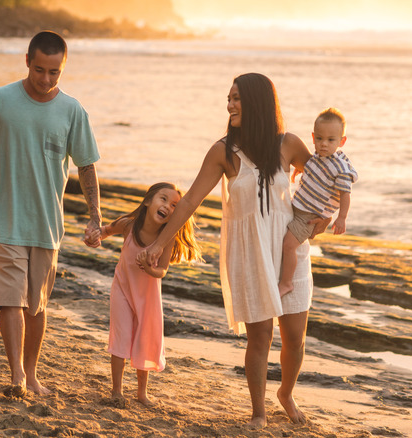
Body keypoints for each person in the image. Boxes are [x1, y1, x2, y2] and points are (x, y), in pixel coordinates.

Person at [140, 73, 328, 428]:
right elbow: (192, 199)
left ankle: (285, 393)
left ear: (258, 102)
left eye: (237, 98)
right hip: (251, 255)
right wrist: (159, 243)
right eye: (229, 98)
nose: (230, 105)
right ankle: (258, 411)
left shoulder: (288, 144)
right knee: (260, 337)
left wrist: (322, 215)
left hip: (290, 251)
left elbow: (321, 175)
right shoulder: (223, 151)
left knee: (295, 338)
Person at [0, 31, 102, 397]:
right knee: (11, 301)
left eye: (54, 72)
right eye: (39, 69)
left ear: (63, 68)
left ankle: (31, 372)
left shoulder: (73, 110)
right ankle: (16, 378)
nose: (45, 79)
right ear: (27, 61)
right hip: (1, 220)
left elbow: (87, 167)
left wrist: (95, 217)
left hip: (46, 225)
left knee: (36, 308)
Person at [94, 182, 201, 406]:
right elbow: (105, 231)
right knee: (120, 339)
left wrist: (150, 269)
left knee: (145, 341)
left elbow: (162, 270)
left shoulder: (166, 237)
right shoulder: (128, 225)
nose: (168, 207)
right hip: (122, 289)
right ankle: (116, 391)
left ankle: (141, 393)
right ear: (147, 201)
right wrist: (94, 237)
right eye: (163, 199)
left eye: (174, 205)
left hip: (148, 299)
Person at [278, 108, 357, 296]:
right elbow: (313, 168)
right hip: (296, 208)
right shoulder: (318, 157)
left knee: (288, 246)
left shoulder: (341, 168)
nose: (323, 144)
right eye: (319, 138)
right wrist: (302, 170)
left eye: (331, 140)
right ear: (313, 137)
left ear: (342, 141)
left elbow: (345, 194)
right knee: (282, 242)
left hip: (309, 217)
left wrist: (341, 218)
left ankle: (286, 283)